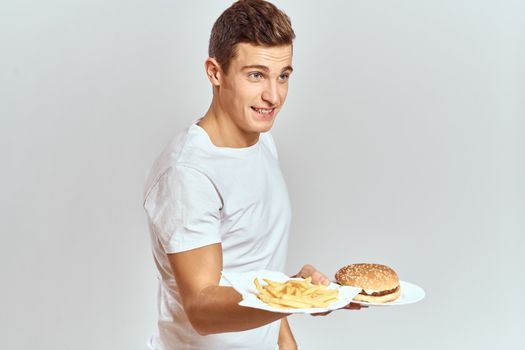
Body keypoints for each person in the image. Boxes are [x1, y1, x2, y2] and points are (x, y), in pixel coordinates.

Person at [143, 1, 363, 349]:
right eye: (256, 75)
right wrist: (300, 296)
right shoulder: (188, 173)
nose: (273, 95)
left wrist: (290, 333)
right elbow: (202, 310)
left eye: (283, 76)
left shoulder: (262, 144)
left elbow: (261, 272)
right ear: (215, 72)